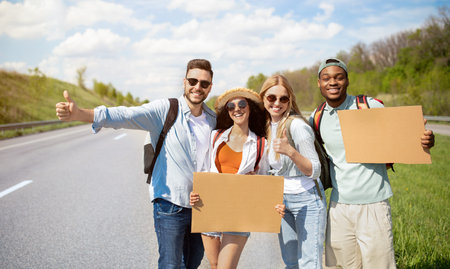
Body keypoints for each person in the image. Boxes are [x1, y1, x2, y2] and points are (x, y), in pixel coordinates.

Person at [55, 59, 216, 269]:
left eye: (204, 83)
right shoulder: (165, 109)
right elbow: (124, 115)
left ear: (210, 87)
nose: (198, 87)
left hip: (201, 206)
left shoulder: (213, 119)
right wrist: (80, 114)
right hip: (170, 204)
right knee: (171, 265)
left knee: (192, 263)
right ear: (184, 82)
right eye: (193, 81)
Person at [313, 58, 436, 269]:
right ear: (319, 83)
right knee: (340, 266)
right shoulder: (316, 118)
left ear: (347, 81)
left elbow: (400, 139)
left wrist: (424, 141)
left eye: (338, 77)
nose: (332, 82)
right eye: (326, 78)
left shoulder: (369, 105)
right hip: (338, 206)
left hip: (374, 205)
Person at [190, 87, 285, 269]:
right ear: (227, 111)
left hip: (239, 210)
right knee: (215, 264)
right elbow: (204, 169)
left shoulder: (261, 144)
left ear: (249, 108)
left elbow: (265, 180)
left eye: (242, 104)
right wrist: (196, 192)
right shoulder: (215, 136)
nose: (237, 109)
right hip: (210, 205)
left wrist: (270, 198)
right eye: (231, 106)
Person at [258, 74, 327, 269]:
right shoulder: (265, 126)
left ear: (290, 100)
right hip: (282, 200)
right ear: (263, 98)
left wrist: (291, 152)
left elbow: (315, 170)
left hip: (308, 200)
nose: (277, 103)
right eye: (271, 98)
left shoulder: (296, 126)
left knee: (309, 263)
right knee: (290, 262)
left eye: (283, 98)